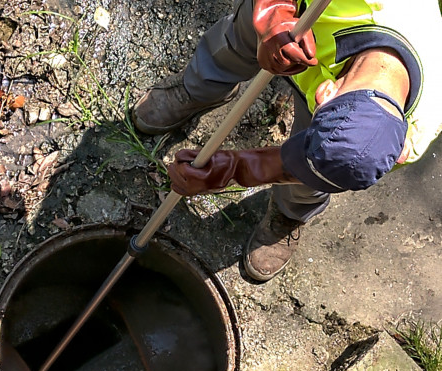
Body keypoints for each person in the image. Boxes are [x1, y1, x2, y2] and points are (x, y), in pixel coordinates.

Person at [132, 0, 442, 281]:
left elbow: (312, 164)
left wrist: (228, 171)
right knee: (237, 43)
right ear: (328, 92)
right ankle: (199, 89)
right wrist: (274, 16)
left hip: (336, 81)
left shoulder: (412, 136)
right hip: (301, 20)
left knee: (314, 180)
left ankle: (289, 214)